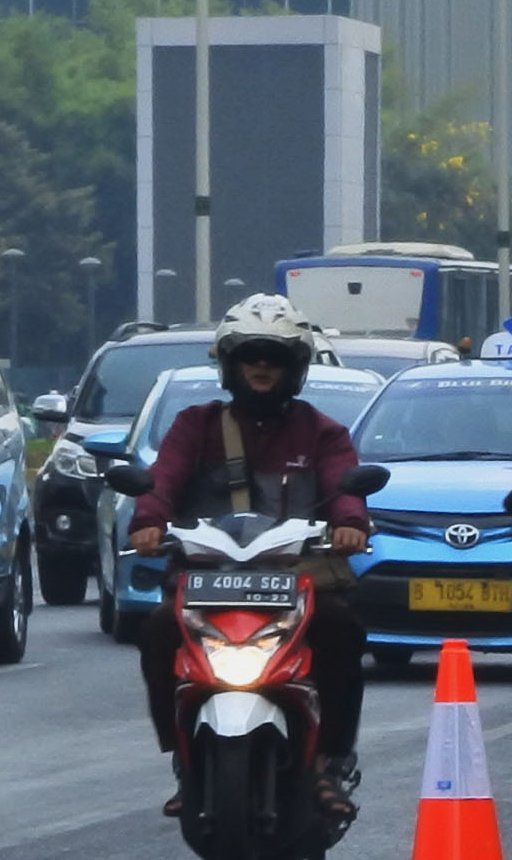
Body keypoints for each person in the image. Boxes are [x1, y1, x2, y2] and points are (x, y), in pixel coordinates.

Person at [127, 293, 371, 820]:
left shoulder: (321, 431)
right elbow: (162, 481)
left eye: (275, 358)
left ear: (296, 367)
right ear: (230, 364)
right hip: (207, 581)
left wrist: (350, 524)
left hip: (297, 581)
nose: (262, 367)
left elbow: (344, 486)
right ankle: (183, 759)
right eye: (251, 356)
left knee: (342, 629)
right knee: (157, 631)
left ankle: (330, 761)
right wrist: (148, 521)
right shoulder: (194, 425)